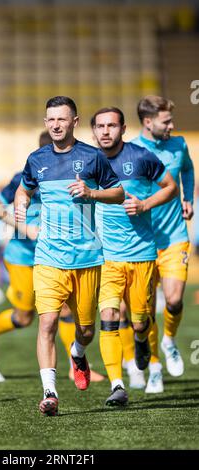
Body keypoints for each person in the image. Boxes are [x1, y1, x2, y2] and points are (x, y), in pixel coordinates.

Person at [15, 96, 124, 416]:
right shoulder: (36, 159)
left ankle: (78, 353)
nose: (55, 125)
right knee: (47, 322)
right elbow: (24, 189)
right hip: (48, 257)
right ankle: (50, 392)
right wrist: (21, 206)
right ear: (45, 122)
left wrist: (92, 193)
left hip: (88, 258)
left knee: (86, 330)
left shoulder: (93, 157)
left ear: (75, 122)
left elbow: (118, 193)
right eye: (50, 120)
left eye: (62, 120)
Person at [0, 130, 105, 383]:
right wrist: (25, 228)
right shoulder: (25, 176)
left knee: (68, 311)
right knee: (24, 317)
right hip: (23, 258)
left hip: (56, 256)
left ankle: (75, 365)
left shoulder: (75, 175)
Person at [91, 107, 177, 406]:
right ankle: (117, 384)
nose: (105, 131)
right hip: (107, 259)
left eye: (111, 126)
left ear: (123, 128)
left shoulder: (141, 157)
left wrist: (145, 205)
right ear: (93, 131)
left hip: (142, 255)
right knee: (110, 317)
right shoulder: (87, 162)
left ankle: (141, 341)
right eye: (100, 126)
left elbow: (170, 187)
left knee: (140, 323)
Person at [129, 96, 195, 392]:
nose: (172, 125)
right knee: (144, 311)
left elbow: (188, 170)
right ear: (148, 122)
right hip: (141, 243)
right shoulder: (131, 151)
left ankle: (169, 340)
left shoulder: (178, 144)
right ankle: (154, 367)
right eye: (166, 121)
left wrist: (188, 197)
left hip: (175, 237)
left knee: (173, 300)